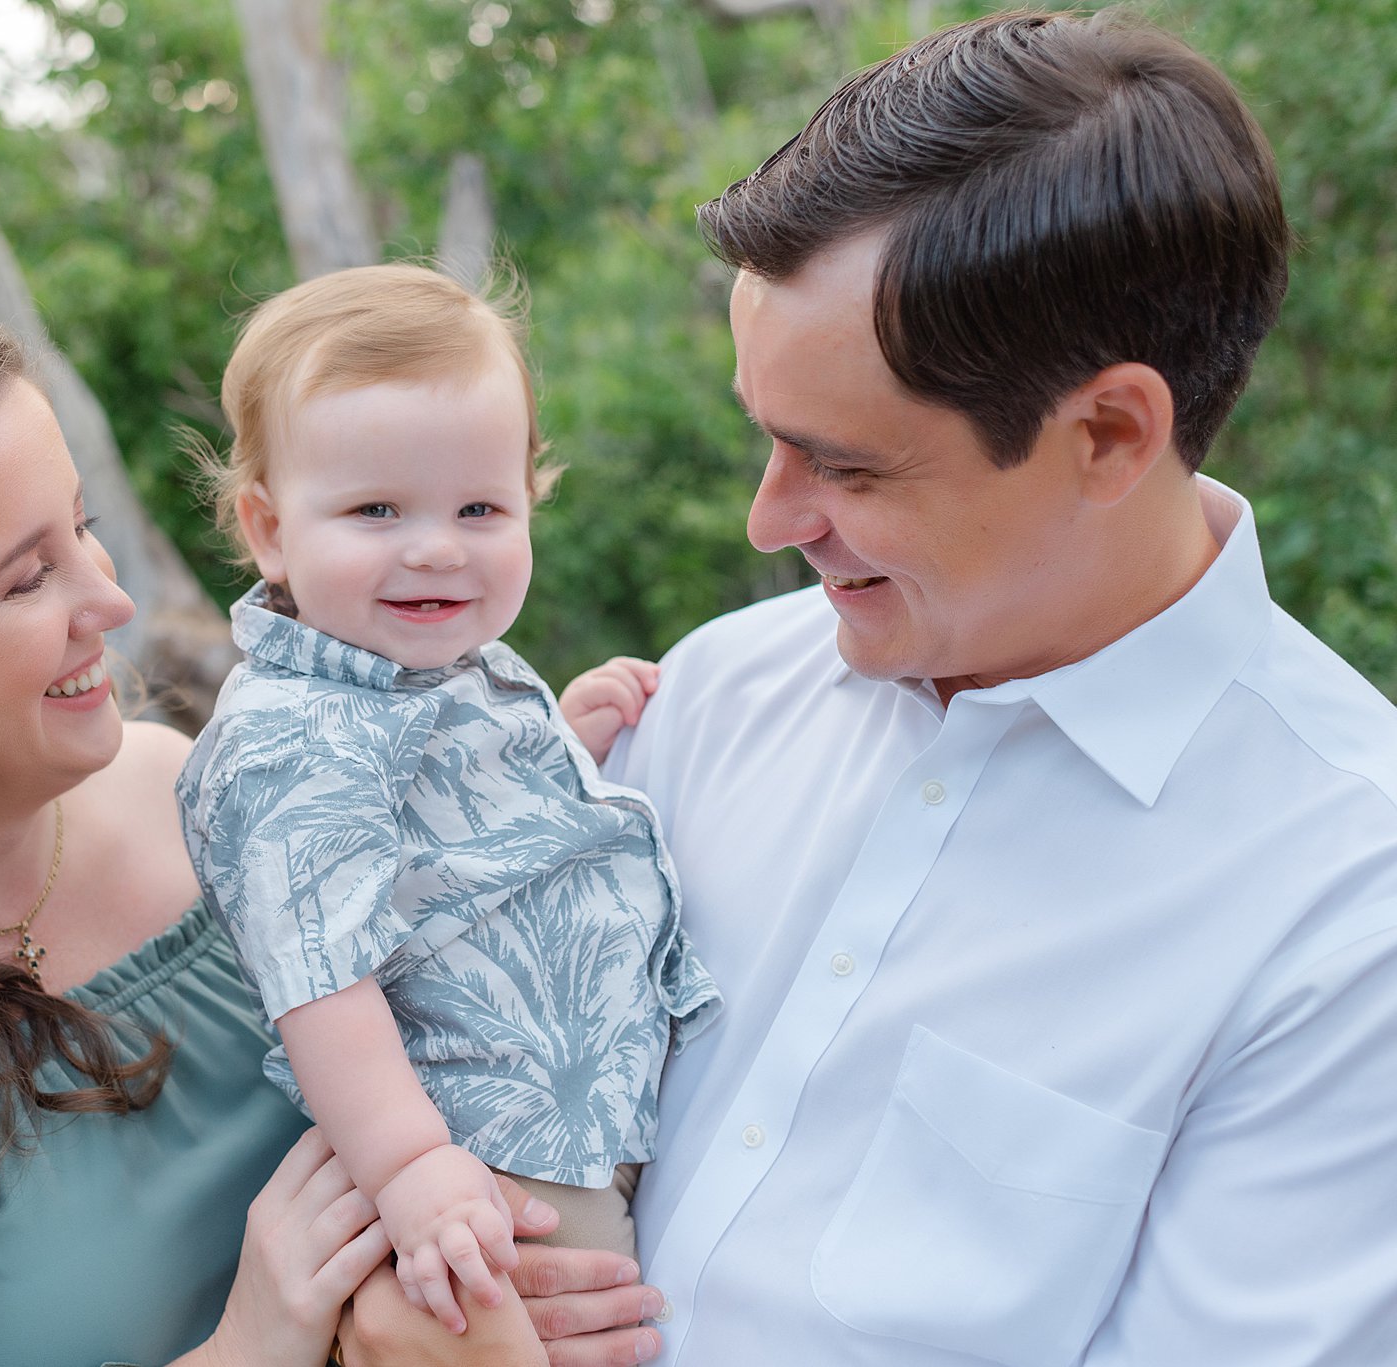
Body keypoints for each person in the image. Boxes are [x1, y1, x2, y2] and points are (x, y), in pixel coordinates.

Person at [0, 309, 656, 1366]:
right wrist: (250, 1345)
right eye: (27, 574)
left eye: (82, 527)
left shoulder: (182, 792)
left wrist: (502, 1290)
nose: (114, 599)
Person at [598, 11, 1397, 1365]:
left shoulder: (1347, 908)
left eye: (845, 466)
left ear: (1107, 433)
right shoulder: (709, 700)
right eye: (767, 436)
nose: (767, 519)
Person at [175, 265, 719, 1332]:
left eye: (478, 506)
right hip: (486, 1156)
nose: (434, 543)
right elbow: (319, 980)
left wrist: (563, 735)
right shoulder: (287, 739)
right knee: (593, 1338)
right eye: (374, 508)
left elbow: (458, 840)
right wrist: (413, 1164)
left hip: (585, 1105)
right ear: (270, 528)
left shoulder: (444, 663)